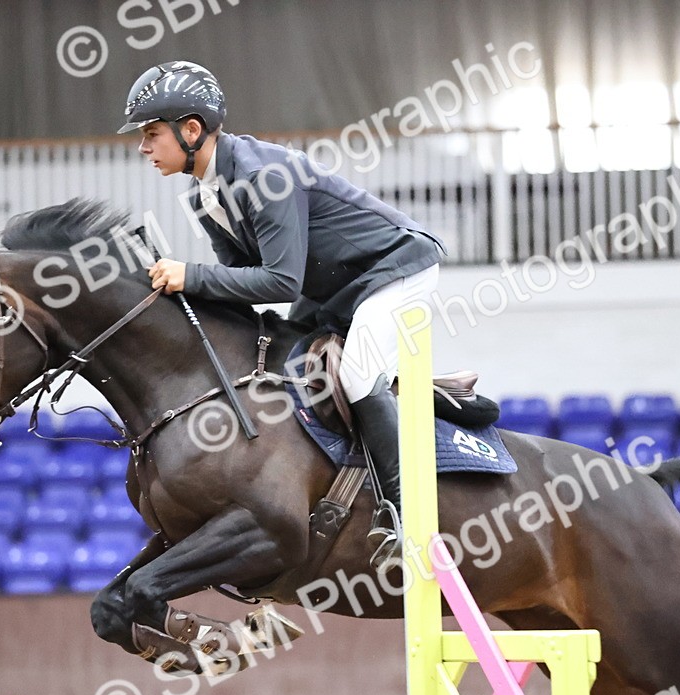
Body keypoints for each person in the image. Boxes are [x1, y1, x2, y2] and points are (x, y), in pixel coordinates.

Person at [118, 60, 443, 564]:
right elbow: (240, 282)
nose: (143, 147)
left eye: (151, 133)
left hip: (393, 268)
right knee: (289, 365)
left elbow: (280, 282)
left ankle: (407, 514)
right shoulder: (205, 195)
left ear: (191, 130)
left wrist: (191, 275)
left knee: (357, 375)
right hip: (334, 287)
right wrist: (173, 293)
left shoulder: (262, 175)